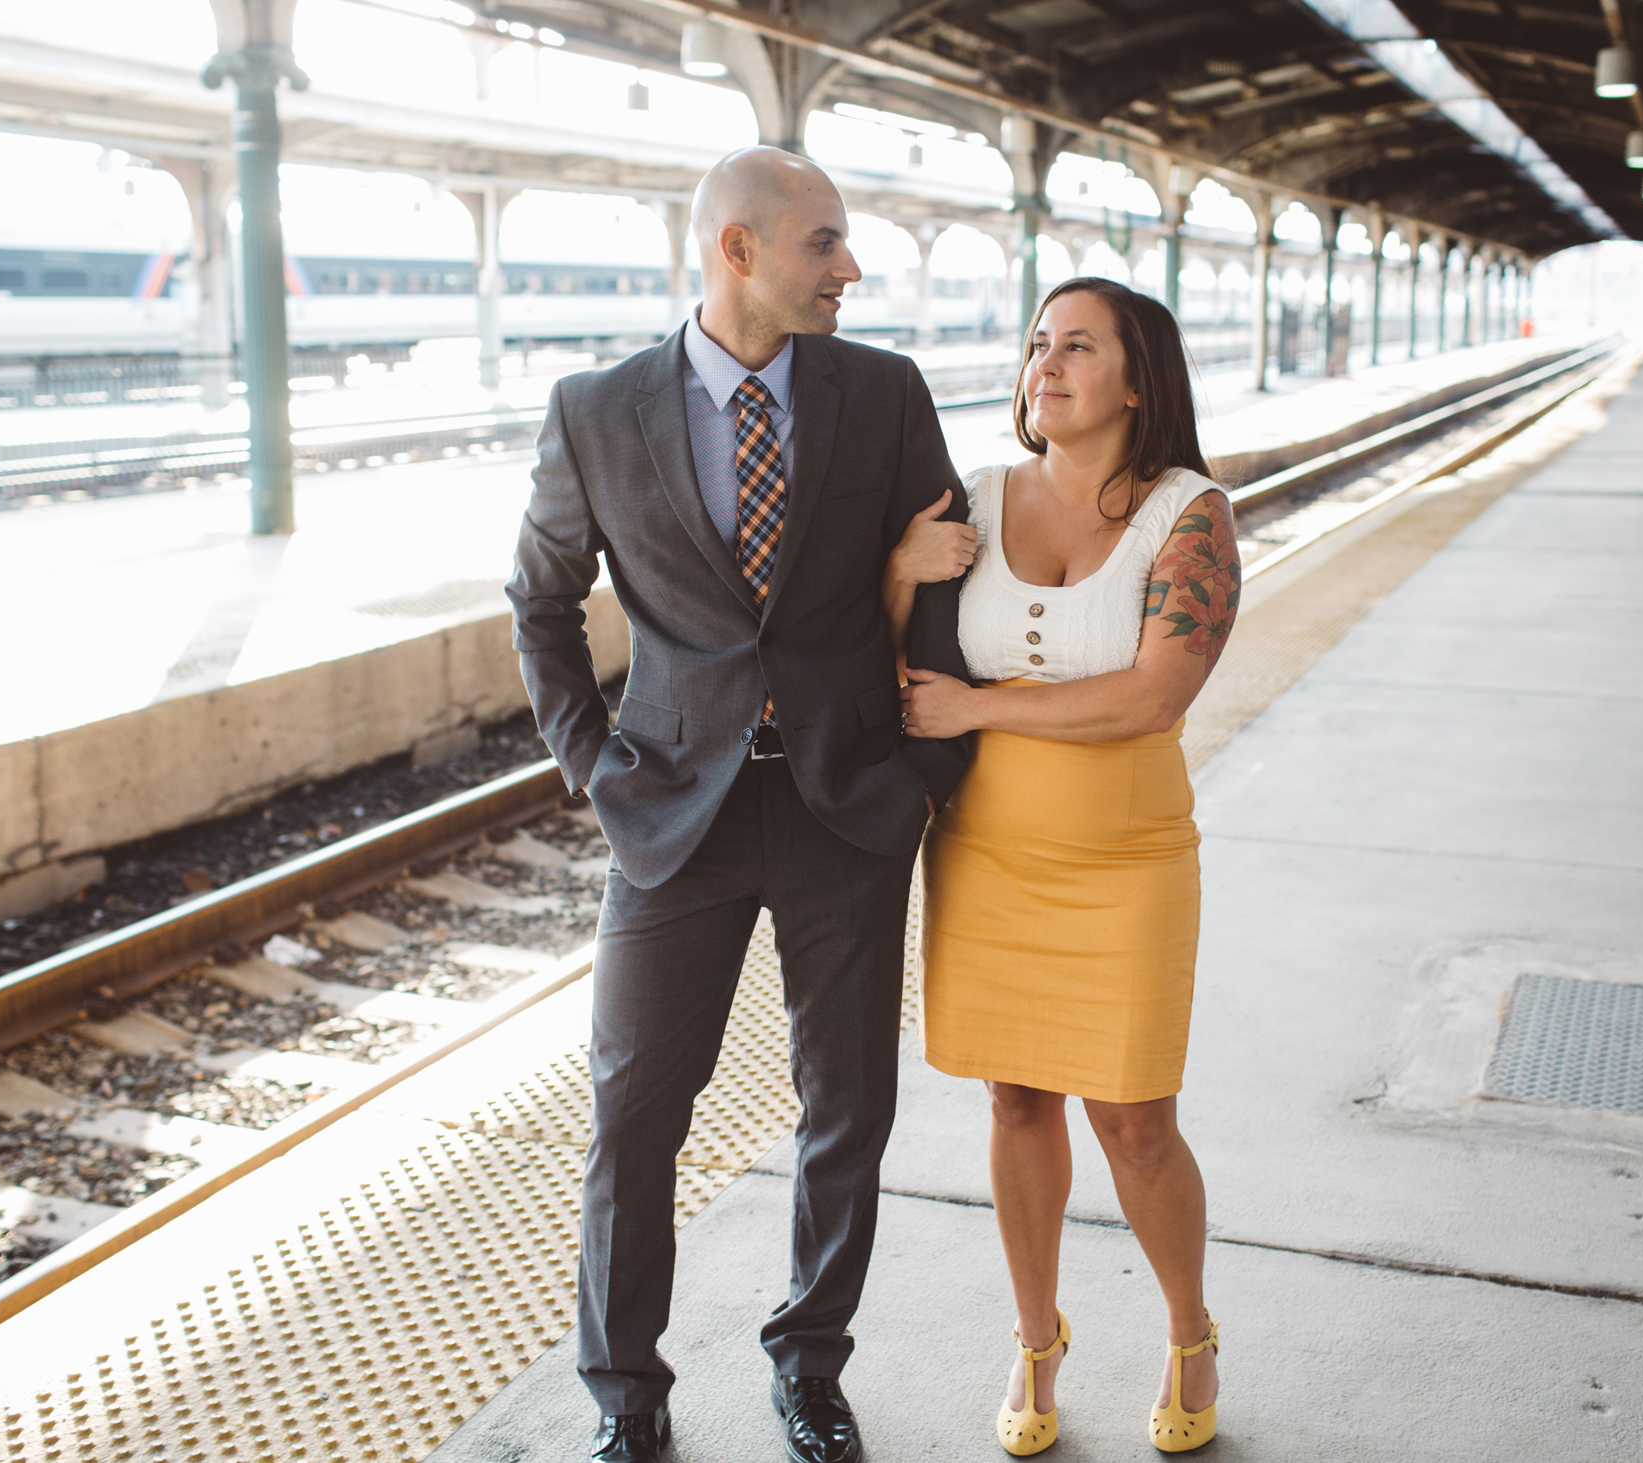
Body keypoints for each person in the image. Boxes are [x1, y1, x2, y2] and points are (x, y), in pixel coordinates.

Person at [506, 146, 977, 1463]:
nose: (849, 267)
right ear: (738, 251)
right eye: (824, 242)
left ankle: (810, 1366)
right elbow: (539, 600)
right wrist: (592, 768)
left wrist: (922, 772)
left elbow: (941, 576)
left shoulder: (880, 392)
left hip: (846, 805)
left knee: (846, 1107)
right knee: (634, 1112)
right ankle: (626, 1397)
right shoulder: (597, 409)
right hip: (669, 816)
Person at [886, 276, 1240, 1456]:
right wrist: (899, 570)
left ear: (1136, 379)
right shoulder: (972, 501)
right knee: (1015, 1095)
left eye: (1077, 346)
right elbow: (888, 646)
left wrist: (978, 707)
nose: (1046, 363)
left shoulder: (1190, 516)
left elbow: (1153, 694)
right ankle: (1036, 1339)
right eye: (1038, 343)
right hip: (985, 852)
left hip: (1127, 862)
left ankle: (1189, 1328)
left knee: (1135, 1119)